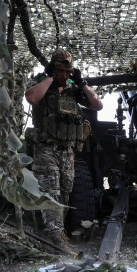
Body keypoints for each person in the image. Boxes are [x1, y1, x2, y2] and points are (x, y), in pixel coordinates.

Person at [24, 49, 103, 247]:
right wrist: (50, 77)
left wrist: (82, 83)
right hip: (46, 150)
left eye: (70, 72)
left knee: (66, 193)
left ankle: (53, 235)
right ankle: (57, 239)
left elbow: (97, 105)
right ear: (54, 69)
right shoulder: (41, 83)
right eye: (62, 71)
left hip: (67, 152)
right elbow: (32, 98)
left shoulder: (72, 89)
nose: (66, 75)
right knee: (51, 192)